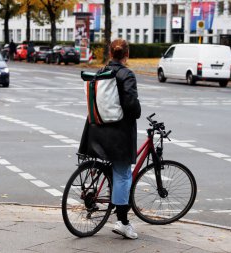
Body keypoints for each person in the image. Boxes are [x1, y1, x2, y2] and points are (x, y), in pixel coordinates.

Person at [79, 39, 141, 239]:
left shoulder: (100, 72)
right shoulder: (126, 74)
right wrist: (137, 111)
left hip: (96, 130)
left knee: (112, 170)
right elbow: (131, 104)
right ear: (127, 54)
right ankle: (123, 222)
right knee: (123, 174)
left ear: (110, 53)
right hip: (119, 134)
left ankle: (109, 200)